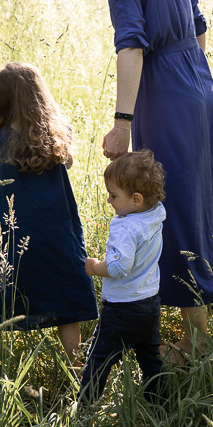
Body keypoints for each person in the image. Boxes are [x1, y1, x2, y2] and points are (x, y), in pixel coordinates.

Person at [64, 0, 213, 353]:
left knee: (174, 209)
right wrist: (191, 74)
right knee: (208, 202)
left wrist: (122, 123)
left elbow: (132, 47)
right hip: (201, 89)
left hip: (167, 97)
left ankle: (197, 341)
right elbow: (199, 25)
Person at [0, 61, 98, 363]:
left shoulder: (2, 139)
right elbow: (70, 162)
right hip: (56, 234)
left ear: (1, 105)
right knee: (63, 293)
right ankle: (76, 365)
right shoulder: (58, 134)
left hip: (10, 232)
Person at [80, 150, 167, 404]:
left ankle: (84, 409)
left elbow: (119, 268)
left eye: (114, 195)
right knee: (150, 358)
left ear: (136, 199)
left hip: (122, 308)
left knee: (99, 358)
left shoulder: (125, 226)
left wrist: (95, 266)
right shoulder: (154, 215)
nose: (109, 201)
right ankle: (159, 403)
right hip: (150, 304)